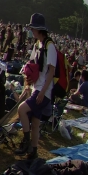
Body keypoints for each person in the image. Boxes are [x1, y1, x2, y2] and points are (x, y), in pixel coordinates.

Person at [16, 13, 57, 159]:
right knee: (35, 122)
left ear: (39, 29)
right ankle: (33, 151)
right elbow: (32, 64)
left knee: (22, 109)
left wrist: (42, 92)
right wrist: (28, 84)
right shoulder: (37, 45)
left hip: (43, 90)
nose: (31, 31)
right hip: (36, 87)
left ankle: (26, 142)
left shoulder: (49, 46)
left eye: (33, 28)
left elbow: (51, 71)